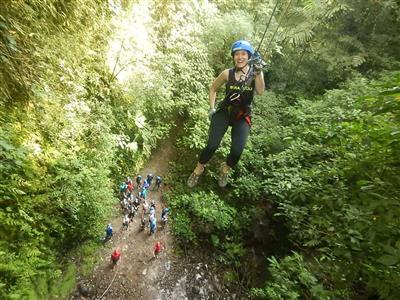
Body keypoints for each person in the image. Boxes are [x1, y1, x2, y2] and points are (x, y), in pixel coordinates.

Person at [187, 40, 265, 188]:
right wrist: (212, 108)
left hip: (242, 115)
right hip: (225, 111)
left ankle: (225, 168)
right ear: (233, 57)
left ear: (249, 56)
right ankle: (199, 168)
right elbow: (213, 88)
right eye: (237, 54)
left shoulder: (255, 74)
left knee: (237, 151)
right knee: (211, 145)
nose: (240, 57)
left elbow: (260, 91)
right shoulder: (227, 74)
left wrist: (259, 72)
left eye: (243, 54)